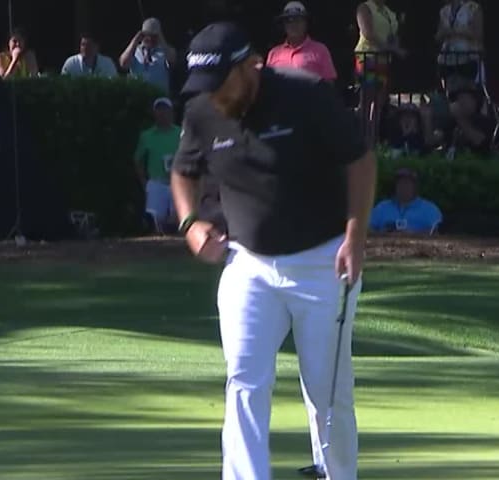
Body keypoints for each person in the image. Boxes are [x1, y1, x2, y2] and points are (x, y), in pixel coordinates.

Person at [171, 22, 377, 480]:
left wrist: (355, 236)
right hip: (248, 265)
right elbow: (184, 172)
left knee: (327, 390)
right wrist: (190, 224)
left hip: (324, 262)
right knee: (244, 381)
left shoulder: (306, 95)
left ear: (251, 66)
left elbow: (360, 160)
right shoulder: (202, 110)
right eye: (205, 85)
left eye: (221, 81)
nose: (213, 94)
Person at [355, 0, 407, 146]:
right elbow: (368, 33)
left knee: (379, 103)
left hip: (383, 61)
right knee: (367, 100)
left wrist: (395, 45)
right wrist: (393, 49)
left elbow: (392, 36)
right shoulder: (365, 7)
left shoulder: (389, 12)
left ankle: (373, 140)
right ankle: (361, 140)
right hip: (367, 58)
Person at [135, 97, 181, 233]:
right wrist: (145, 183)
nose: (162, 113)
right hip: (157, 183)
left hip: (178, 182)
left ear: (171, 112)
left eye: (165, 110)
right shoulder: (146, 136)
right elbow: (138, 160)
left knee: (179, 218)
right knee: (155, 220)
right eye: (159, 110)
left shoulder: (181, 133)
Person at [266, 1, 338, 82]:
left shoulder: (321, 50)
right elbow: (268, 83)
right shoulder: (273, 53)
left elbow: (329, 83)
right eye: (289, 20)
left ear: (306, 23)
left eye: (298, 20)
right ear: (284, 25)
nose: (294, 24)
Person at [370, 169, 442, 234]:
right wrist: (382, 234)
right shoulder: (381, 208)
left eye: (406, 183)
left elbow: (436, 232)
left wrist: (412, 234)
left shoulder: (430, 209)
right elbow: (368, 230)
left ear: (415, 186)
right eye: (400, 183)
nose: (403, 186)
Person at [436, 0, 484, 92]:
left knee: (465, 91)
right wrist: (443, 33)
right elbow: (439, 35)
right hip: (447, 58)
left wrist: (457, 31)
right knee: (449, 91)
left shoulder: (473, 8)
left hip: (467, 58)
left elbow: (478, 35)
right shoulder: (444, 11)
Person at [119, 18, 178, 94]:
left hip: (159, 96)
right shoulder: (134, 50)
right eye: (147, 35)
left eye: (154, 36)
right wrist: (135, 41)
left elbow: (172, 60)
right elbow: (123, 64)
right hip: (137, 95)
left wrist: (161, 40)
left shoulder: (166, 51)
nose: (150, 38)